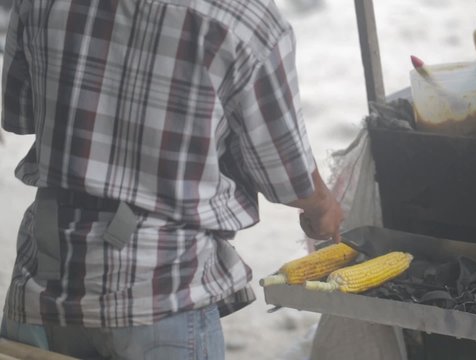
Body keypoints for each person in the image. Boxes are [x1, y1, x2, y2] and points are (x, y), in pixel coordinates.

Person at [0, 0, 343, 359]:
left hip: (47, 275)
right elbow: (285, 175)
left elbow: (22, 116)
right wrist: (322, 206)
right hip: (161, 288)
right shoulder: (245, 18)